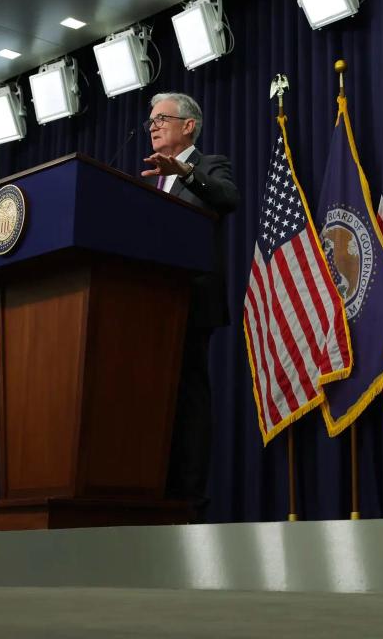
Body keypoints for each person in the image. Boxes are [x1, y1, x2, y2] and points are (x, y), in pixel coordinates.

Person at [140, 92, 239, 516]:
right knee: (154, 398)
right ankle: (152, 488)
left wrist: (183, 170)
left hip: (192, 298)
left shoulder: (210, 165)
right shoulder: (147, 178)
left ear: (188, 126)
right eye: (151, 122)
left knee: (189, 397)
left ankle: (188, 497)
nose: (154, 126)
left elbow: (226, 198)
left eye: (162, 118)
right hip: (149, 303)